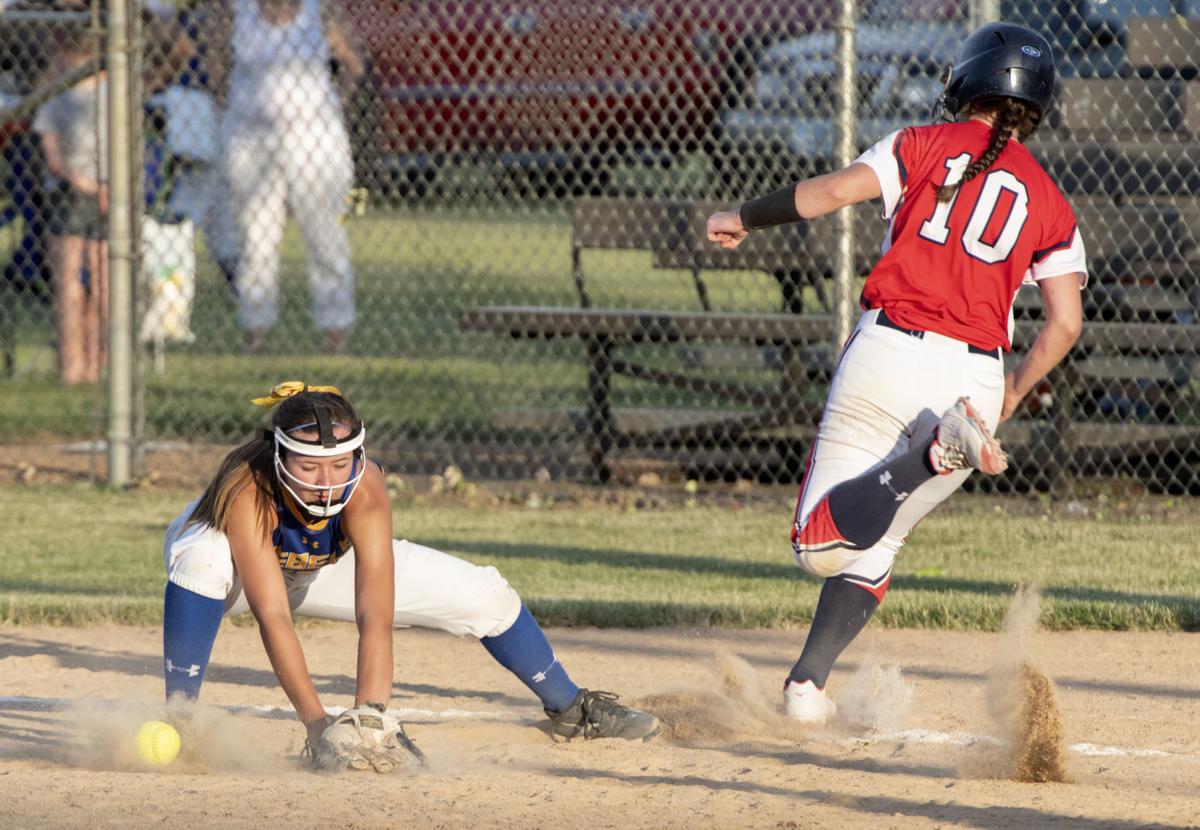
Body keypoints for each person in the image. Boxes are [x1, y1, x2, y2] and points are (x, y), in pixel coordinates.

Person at [706, 22, 1086, 722]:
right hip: (973, 381)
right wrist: (1008, 395)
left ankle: (928, 456)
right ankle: (806, 689)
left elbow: (826, 195)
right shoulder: (1052, 199)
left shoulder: (920, 143)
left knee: (816, 546)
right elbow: (1064, 322)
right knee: (879, 538)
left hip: (889, 352)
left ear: (964, 79)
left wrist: (743, 217)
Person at [161, 382, 661, 768]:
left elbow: (375, 612)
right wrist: (317, 727)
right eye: (310, 466)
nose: (327, 481)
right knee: (202, 557)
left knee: (484, 593)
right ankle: (181, 719)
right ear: (279, 455)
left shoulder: (366, 487)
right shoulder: (248, 489)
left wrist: (369, 717)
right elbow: (272, 615)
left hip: (318, 567)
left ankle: (571, 708)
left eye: (339, 463)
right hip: (240, 575)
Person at [201, 0, 364, 353]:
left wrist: (336, 105)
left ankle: (335, 332)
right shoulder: (236, 11)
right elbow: (216, 67)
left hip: (314, 137)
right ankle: (255, 330)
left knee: (325, 236)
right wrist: (229, 110)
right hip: (251, 138)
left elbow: (353, 64)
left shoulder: (318, 11)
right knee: (255, 238)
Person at [33, 25, 108, 386]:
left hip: (109, 196)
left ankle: (98, 367)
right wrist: (85, 183)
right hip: (70, 193)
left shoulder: (111, 94)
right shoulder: (55, 95)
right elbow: (53, 156)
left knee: (104, 288)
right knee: (69, 288)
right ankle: (71, 370)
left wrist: (107, 189)